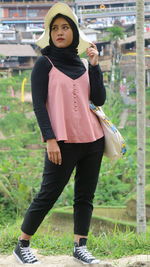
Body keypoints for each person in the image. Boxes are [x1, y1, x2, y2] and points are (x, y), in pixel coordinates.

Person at [13, 2, 106, 265]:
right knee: (48, 193)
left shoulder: (83, 65)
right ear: (50, 34)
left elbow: (98, 99)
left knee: (85, 196)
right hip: (62, 142)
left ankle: (80, 246)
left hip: (93, 140)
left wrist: (95, 66)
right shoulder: (44, 64)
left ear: (74, 33)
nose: (60, 32)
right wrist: (50, 139)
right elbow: (38, 106)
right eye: (55, 28)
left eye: (65, 27)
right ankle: (22, 244)